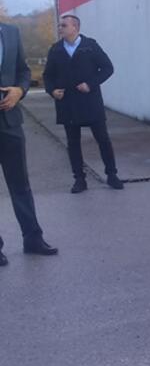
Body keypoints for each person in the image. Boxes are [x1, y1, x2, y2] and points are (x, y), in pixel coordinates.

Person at [42, 14, 123, 193]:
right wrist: (52, 90)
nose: (60, 28)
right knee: (73, 143)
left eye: (63, 25)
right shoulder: (55, 50)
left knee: (103, 139)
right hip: (67, 103)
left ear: (75, 28)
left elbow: (108, 68)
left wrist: (91, 84)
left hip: (90, 102)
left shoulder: (90, 46)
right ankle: (79, 179)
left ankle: (112, 175)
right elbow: (48, 76)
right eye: (59, 25)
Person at [0, 21, 58, 266]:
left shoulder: (11, 32)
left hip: (10, 121)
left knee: (20, 184)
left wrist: (19, 91)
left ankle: (33, 238)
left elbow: (23, 71)